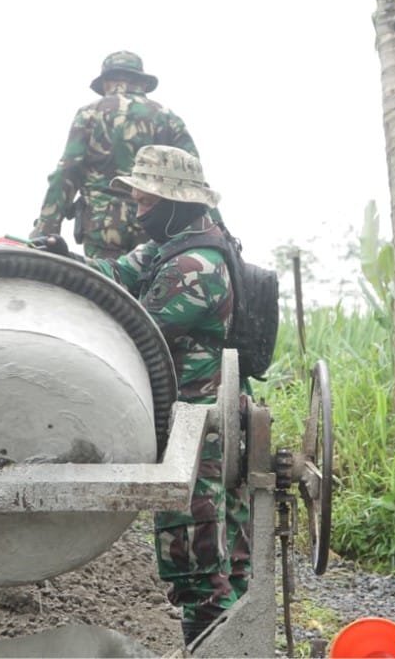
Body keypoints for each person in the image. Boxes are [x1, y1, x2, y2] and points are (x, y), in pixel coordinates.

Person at [37, 145, 250, 646]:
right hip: (186, 416)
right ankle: (230, 641)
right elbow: (119, 275)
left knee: (195, 547)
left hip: (199, 423)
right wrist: (68, 260)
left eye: (146, 201)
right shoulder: (169, 247)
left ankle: (215, 645)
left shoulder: (195, 266)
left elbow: (136, 330)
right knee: (209, 547)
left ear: (177, 202)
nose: (137, 211)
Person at [29, 51, 201, 260]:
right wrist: (213, 230)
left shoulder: (89, 114)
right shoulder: (167, 117)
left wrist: (45, 229)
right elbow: (192, 178)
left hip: (101, 226)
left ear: (106, 82)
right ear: (142, 82)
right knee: (148, 275)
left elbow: (68, 171)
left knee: (101, 279)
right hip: (152, 223)